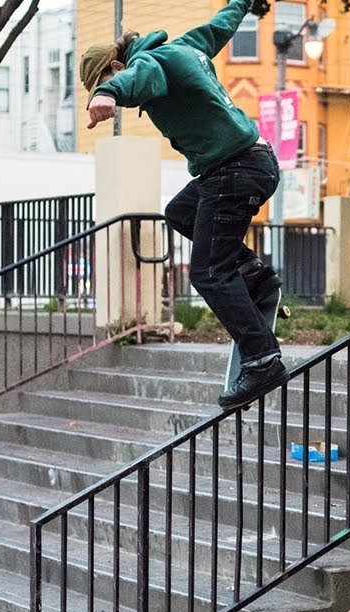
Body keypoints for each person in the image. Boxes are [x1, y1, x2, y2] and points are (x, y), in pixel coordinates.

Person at [80, 0, 286, 410]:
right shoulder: (185, 47)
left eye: (105, 80)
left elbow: (139, 78)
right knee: (179, 212)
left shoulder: (148, 65)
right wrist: (242, 2)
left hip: (234, 170)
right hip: (246, 163)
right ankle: (254, 275)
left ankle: (262, 359)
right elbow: (221, 25)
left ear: (115, 67)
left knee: (209, 271)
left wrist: (106, 93)